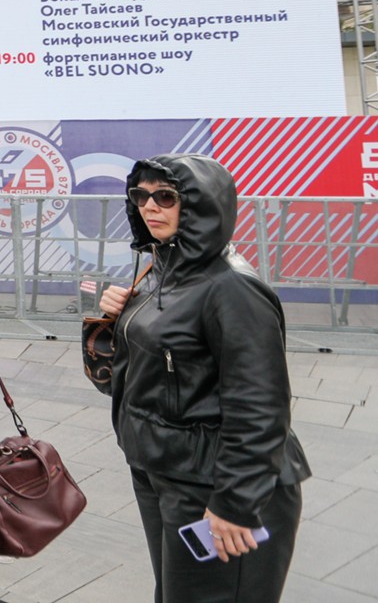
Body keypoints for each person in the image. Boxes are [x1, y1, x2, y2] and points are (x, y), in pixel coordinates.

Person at [90, 155, 308, 603]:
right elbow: (127, 379)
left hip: (215, 483)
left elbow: (261, 407)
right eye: (140, 195)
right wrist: (114, 322)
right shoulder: (160, 270)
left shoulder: (232, 288)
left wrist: (235, 503)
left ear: (199, 205)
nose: (150, 206)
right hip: (162, 470)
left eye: (165, 196)